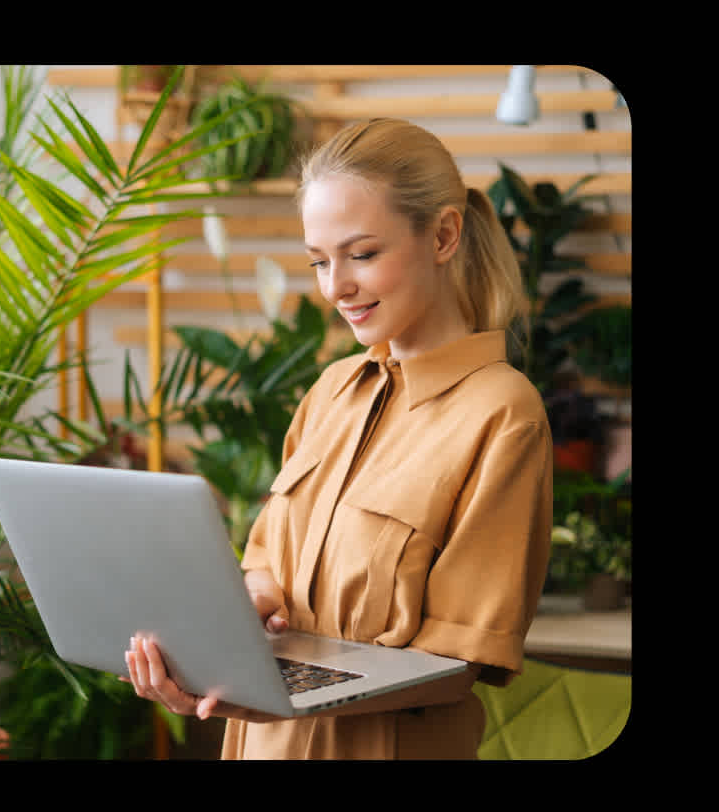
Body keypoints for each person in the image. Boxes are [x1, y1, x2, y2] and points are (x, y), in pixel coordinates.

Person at [124, 118, 554, 759]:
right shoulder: (329, 391)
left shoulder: (504, 414)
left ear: (442, 235)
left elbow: (463, 657)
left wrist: (286, 691)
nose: (335, 287)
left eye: (362, 254)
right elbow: (265, 564)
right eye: (319, 261)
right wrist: (255, 605)